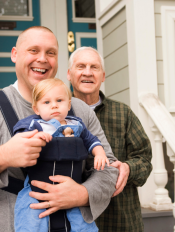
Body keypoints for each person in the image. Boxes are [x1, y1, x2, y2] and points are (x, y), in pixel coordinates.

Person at [0, 27, 118, 232]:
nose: (42, 59)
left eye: (51, 53)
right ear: (15, 54)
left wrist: (83, 194)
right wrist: (1, 157)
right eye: (33, 50)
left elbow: (109, 168)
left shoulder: (80, 111)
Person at [67, 46, 153, 232]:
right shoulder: (57, 114)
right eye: (81, 66)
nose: (87, 73)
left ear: (103, 76)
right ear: (69, 74)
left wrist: (128, 168)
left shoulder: (123, 114)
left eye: (94, 67)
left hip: (119, 220)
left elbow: (145, 160)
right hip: (72, 220)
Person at [14, 78, 111, 231]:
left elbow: (91, 140)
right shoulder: (35, 125)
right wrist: (36, 138)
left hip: (73, 189)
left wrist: (99, 153)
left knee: (83, 224)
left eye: (59, 100)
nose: (54, 105)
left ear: (69, 104)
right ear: (36, 109)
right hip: (38, 189)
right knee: (32, 220)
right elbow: (20, 142)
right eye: (46, 102)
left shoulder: (76, 125)